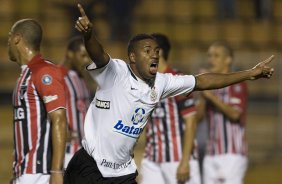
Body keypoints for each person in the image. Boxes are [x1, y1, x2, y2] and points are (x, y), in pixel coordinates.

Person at [64, 4, 274, 184]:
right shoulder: (116, 72)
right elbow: (98, 54)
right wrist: (88, 34)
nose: (154, 54)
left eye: (156, 50)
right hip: (89, 167)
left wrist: (248, 73)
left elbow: (202, 81)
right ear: (132, 57)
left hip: (122, 172)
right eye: (147, 50)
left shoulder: (163, 82)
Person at [8, 19, 67, 184]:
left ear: (17, 38)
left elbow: (59, 119)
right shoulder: (25, 75)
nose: (7, 46)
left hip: (39, 173)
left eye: (8, 39)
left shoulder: (44, 71)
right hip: (24, 171)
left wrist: (56, 171)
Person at [140, 33, 201, 184]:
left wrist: (185, 161)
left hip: (178, 158)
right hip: (152, 158)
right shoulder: (144, 82)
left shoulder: (177, 79)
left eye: (146, 50)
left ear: (158, 52)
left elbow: (191, 121)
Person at [196, 41, 248, 184]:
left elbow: (235, 114)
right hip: (211, 152)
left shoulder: (237, 84)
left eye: (216, 55)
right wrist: (202, 93)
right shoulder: (209, 87)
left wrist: (210, 97)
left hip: (232, 154)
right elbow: (198, 118)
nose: (211, 60)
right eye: (209, 56)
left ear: (228, 59)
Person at [60, 37, 92, 169]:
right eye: (83, 55)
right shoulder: (57, 77)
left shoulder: (81, 78)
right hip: (68, 152)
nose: (87, 60)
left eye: (88, 56)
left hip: (86, 150)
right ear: (70, 54)